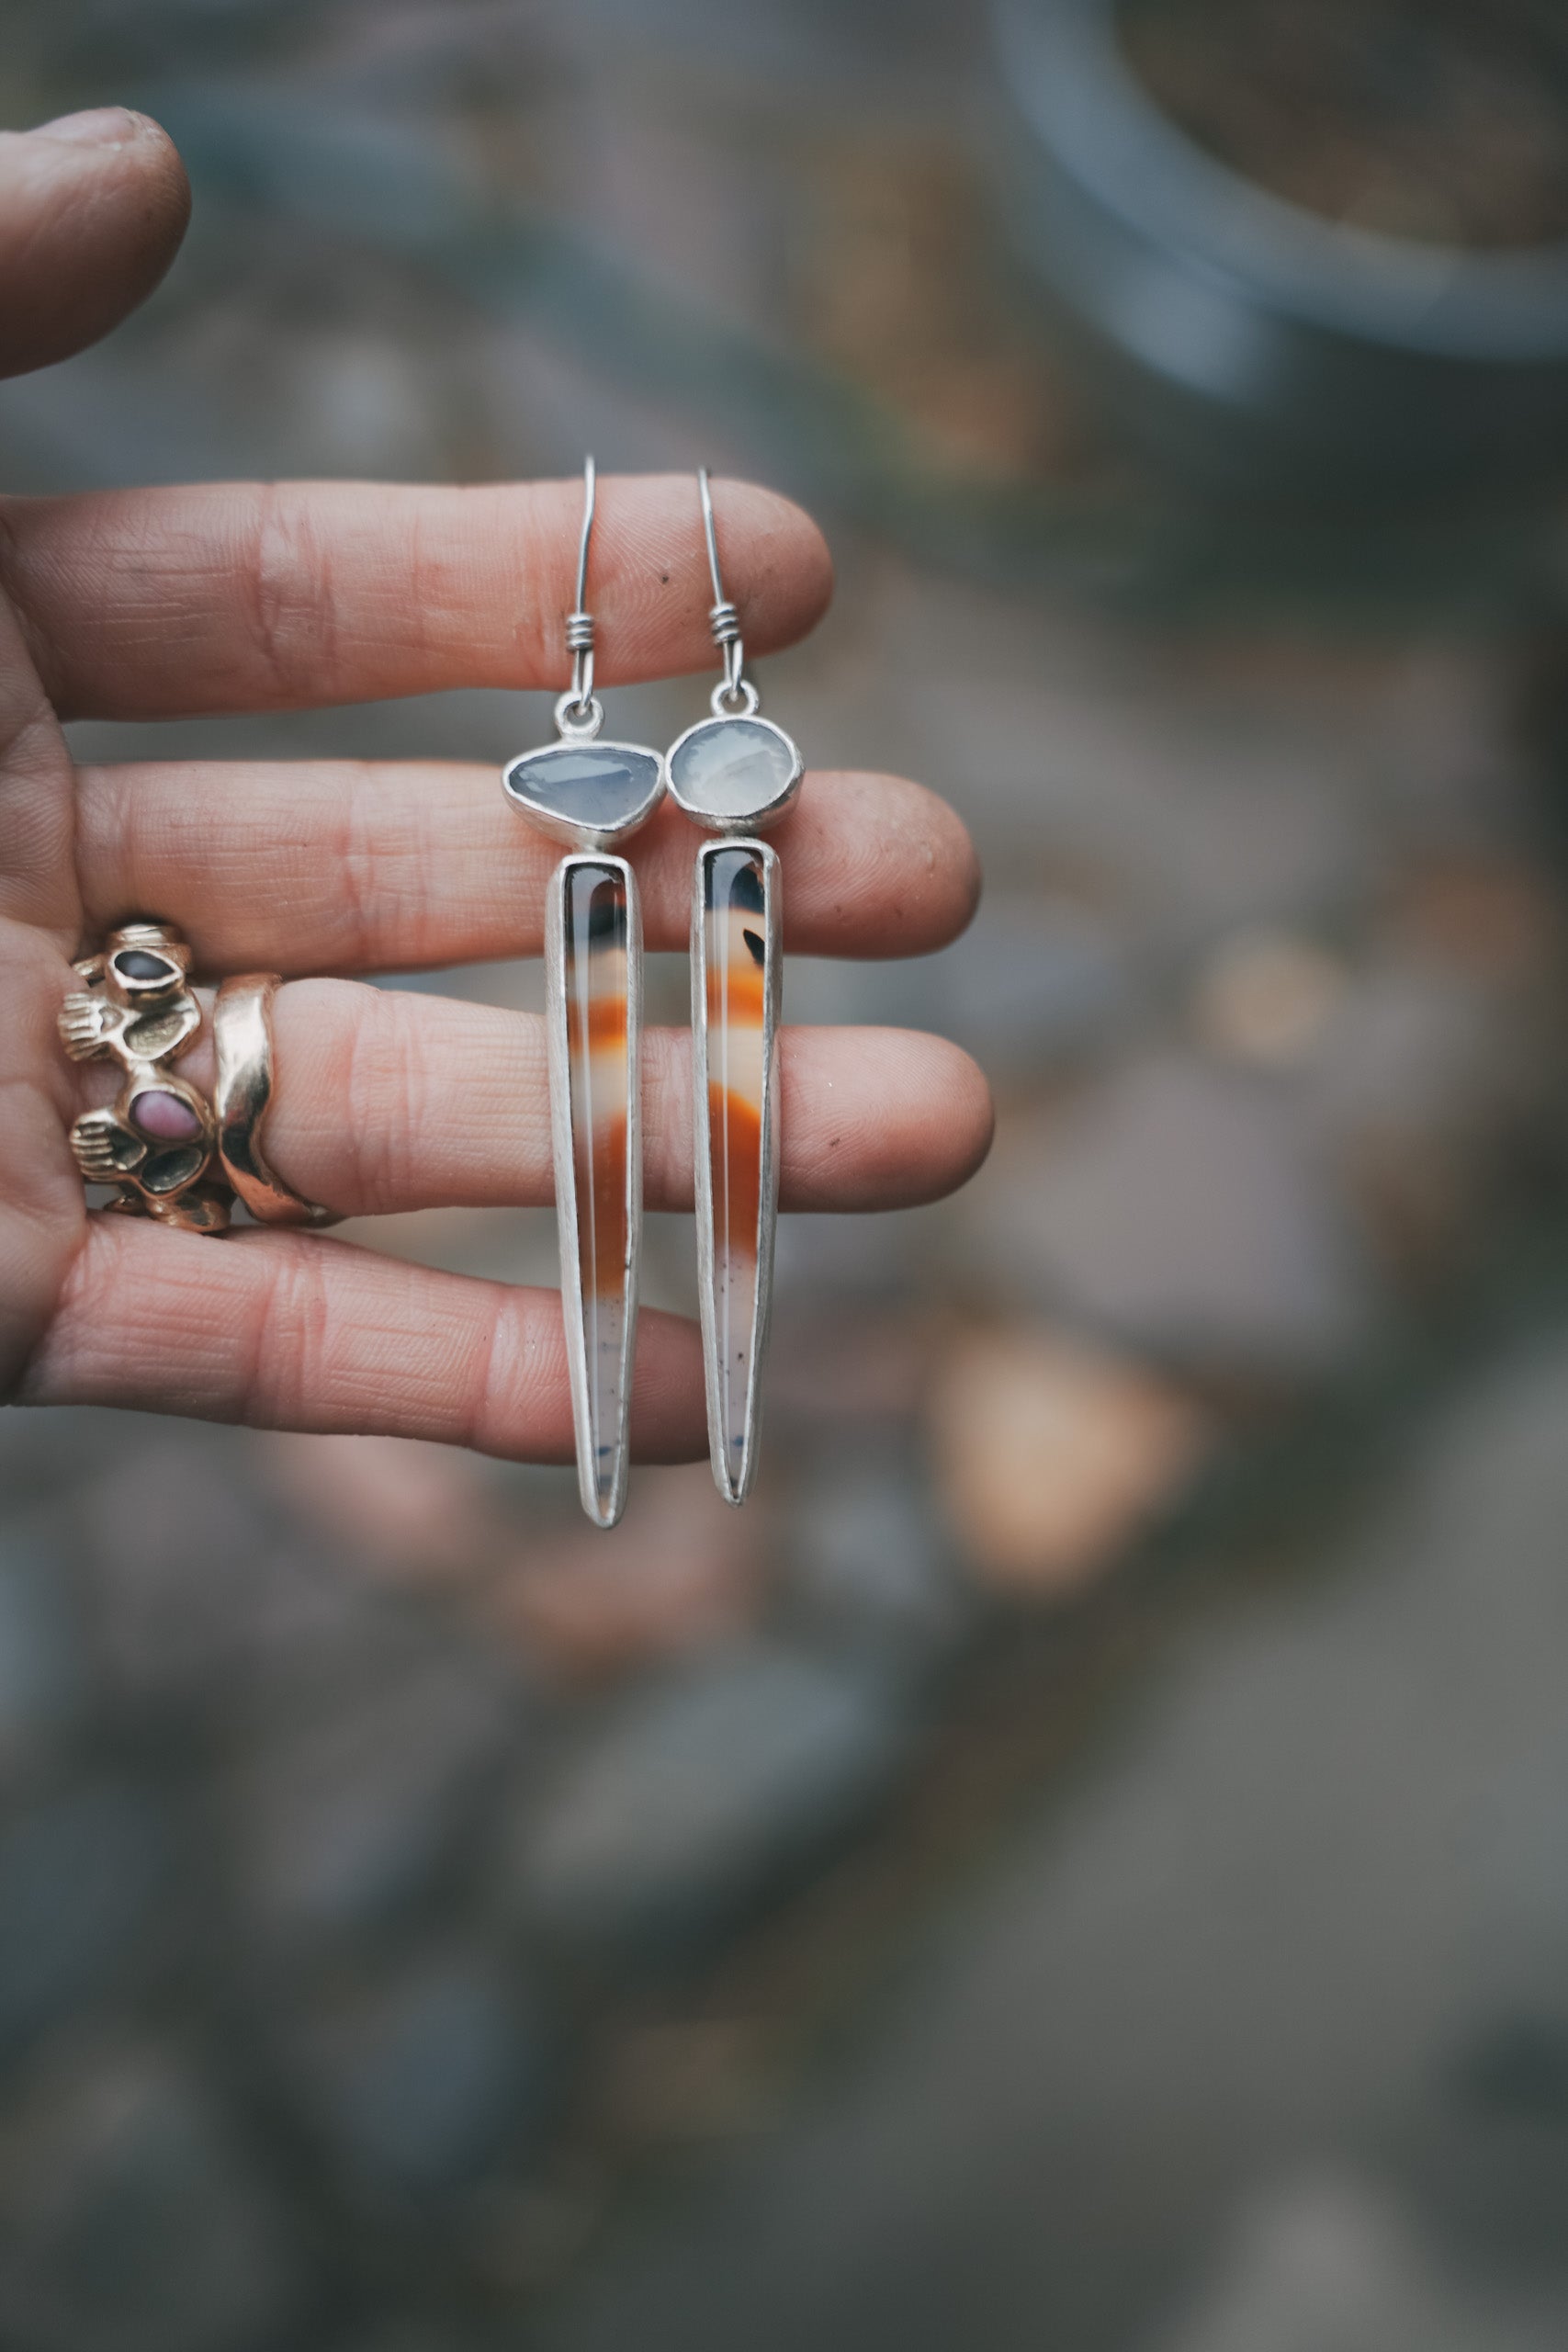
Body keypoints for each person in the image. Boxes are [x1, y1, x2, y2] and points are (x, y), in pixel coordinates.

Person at [0, 108, 991, 1467]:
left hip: (697, 852)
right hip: (627, 861)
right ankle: (676, 1417)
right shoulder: (621, 861)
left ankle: (724, 1403)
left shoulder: (722, 855)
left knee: (729, 1120)